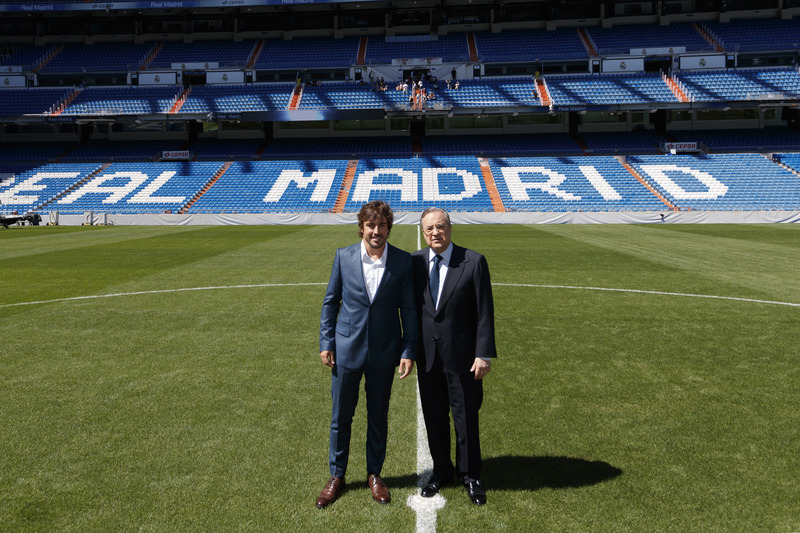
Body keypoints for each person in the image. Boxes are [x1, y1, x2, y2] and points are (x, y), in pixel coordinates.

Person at [316, 201, 418, 509]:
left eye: (382, 225)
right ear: (362, 227)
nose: (376, 231)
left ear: (389, 228)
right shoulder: (344, 256)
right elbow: (330, 302)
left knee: (378, 417)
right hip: (346, 349)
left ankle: (375, 474)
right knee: (340, 417)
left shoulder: (402, 261)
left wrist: (409, 349)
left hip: (385, 351)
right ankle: (337, 476)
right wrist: (327, 341)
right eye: (370, 225)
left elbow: (409, 309)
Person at [412, 207, 496, 506]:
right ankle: (442, 471)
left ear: (450, 227)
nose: (435, 232)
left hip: (463, 357)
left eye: (440, 226)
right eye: (429, 229)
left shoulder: (473, 262)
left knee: (465, 418)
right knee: (434, 418)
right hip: (428, 357)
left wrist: (483, 353)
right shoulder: (415, 263)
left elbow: (485, 311)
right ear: (423, 233)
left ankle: (470, 473)